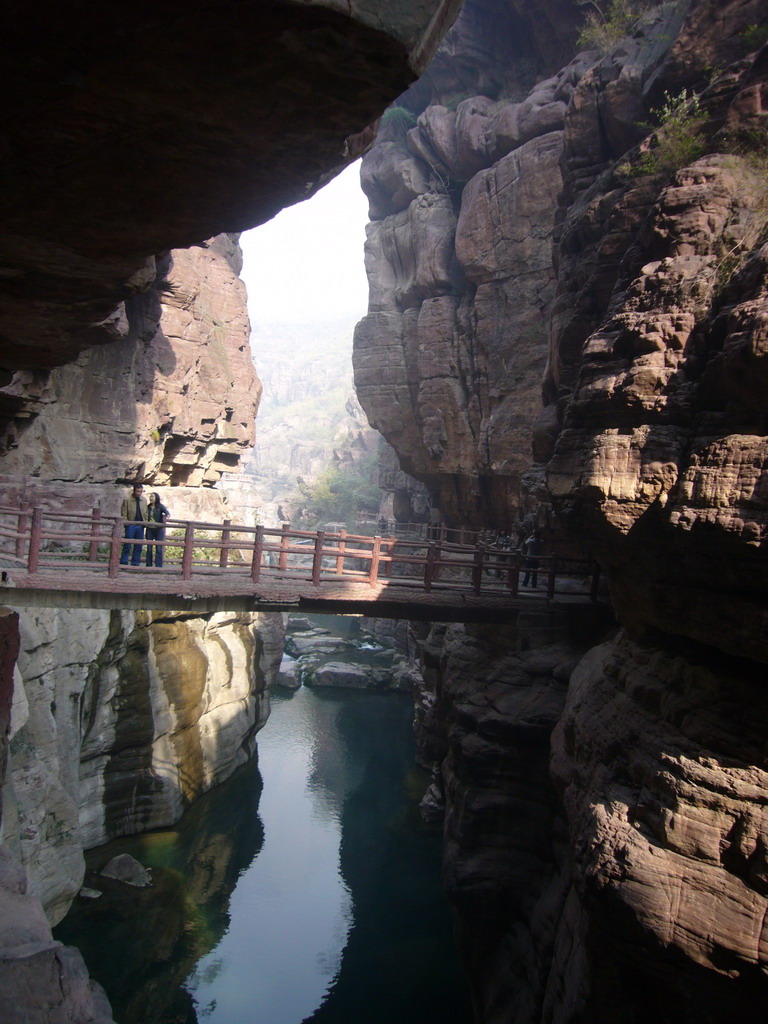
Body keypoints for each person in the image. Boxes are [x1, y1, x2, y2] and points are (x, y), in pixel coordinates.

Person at [120, 483, 148, 565]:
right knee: (127, 544)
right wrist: (127, 523)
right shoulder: (127, 500)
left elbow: (146, 512)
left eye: (140, 491)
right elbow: (124, 512)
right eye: (137, 491)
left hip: (140, 525)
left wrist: (145, 521)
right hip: (131, 524)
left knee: (139, 545)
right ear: (134, 491)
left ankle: (135, 562)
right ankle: (124, 561)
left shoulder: (144, 500)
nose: (138, 493)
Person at [145, 492, 170, 567]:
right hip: (150, 529)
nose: (151, 498)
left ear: (156, 498)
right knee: (149, 548)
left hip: (158, 529)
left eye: (152, 496)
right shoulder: (148, 507)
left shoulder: (160, 506)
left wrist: (166, 517)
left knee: (159, 548)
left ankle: (158, 565)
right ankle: (148, 565)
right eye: (150, 496)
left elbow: (167, 513)